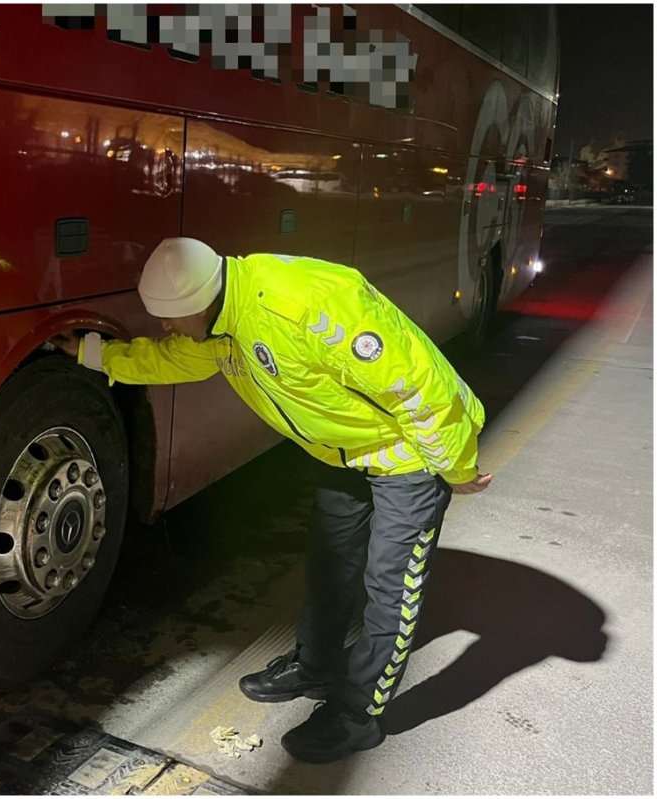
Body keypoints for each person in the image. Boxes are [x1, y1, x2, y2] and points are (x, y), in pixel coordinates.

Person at [51, 237, 492, 763]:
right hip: (344, 453)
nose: (164, 326)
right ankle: (316, 665)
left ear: (198, 301)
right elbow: (178, 359)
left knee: (392, 587)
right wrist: (91, 353)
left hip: (409, 456)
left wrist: (455, 465)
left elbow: (417, 385)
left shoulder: (305, 305)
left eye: (168, 316)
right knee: (330, 564)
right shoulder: (222, 317)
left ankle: (358, 713)